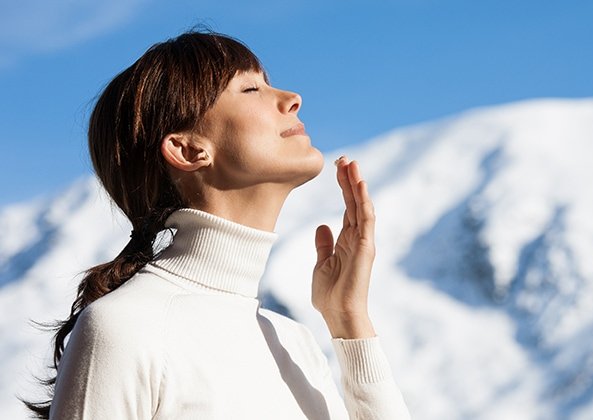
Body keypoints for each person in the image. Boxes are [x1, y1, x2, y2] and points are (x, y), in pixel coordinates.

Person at [22, 30, 411, 419]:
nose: (293, 99)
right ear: (188, 149)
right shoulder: (124, 329)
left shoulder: (295, 343)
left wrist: (348, 318)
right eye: (250, 89)